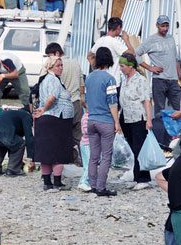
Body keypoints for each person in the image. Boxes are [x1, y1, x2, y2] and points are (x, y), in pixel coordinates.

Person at [136, 14, 180, 148]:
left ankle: (177, 137)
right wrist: (150, 68)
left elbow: (176, 58)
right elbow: (136, 54)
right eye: (163, 26)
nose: (165, 28)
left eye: (167, 26)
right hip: (159, 80)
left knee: (178, 109)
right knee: (160, 111)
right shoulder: (151, 40)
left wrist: (179, 74)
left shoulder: (171, 38)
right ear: (157, 25)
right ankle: (160, 141)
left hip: (173, 80)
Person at [84, 46, 122, 197]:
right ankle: (101, 187)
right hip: (105, 121)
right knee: (106, 156)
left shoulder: (89, 77)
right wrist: (117, 122)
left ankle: (92, 185)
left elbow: (86, 100)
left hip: (91, 120)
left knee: (93, 156)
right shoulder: (109, 79)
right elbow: (112, 103)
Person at [32, 54, 75, 190]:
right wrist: (44, 109)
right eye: (58, 65)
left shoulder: (44, 80)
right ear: (51, 67)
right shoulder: (54, 80)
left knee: (46, 152)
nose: (61, 68)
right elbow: (52, 98)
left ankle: (47, 182)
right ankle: (56, 182)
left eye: (62, 65)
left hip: (48, 119)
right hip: (57, 118)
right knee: (58, 152)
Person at [117, 53, 154, 191]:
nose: (120, 69)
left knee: (140, 148)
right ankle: (136, 176)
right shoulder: (124, 79)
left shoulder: (140, 80)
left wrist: (149, 119)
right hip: (126, 117)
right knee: (133, 148)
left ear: (130, 66)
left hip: (138, 117)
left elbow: (146, 100)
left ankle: (143, 178)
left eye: (122, 66)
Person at [45, 42, 84, 161]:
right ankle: (84, 160)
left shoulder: (55, 66)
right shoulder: (76, 63)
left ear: (57, 53)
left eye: (49, 55)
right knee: (79, 135)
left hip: (61, 105)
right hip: (76, 103)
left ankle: (62, 160)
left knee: (60, 134)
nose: (49, 59)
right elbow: (82, 86)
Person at [0, 106, 33, 176]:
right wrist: (31, 158)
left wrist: (17, 159)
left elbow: (11, 143)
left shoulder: (12, 113)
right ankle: (13, 170)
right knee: (20, 143)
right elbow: (28, 137)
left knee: (2, 145)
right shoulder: (26, 116)